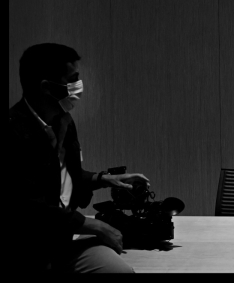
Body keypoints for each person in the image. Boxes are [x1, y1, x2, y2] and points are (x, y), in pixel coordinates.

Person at [10, 43, 150, 272]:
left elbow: (62, 178)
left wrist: (103, 179)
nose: (79, 86)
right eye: (73, 79)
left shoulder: (63, 121)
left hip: (62, 242)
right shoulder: (14, 133)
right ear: (47, 87)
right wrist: (92, 225)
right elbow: (29, 207)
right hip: (28, 250)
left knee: (120, 270)